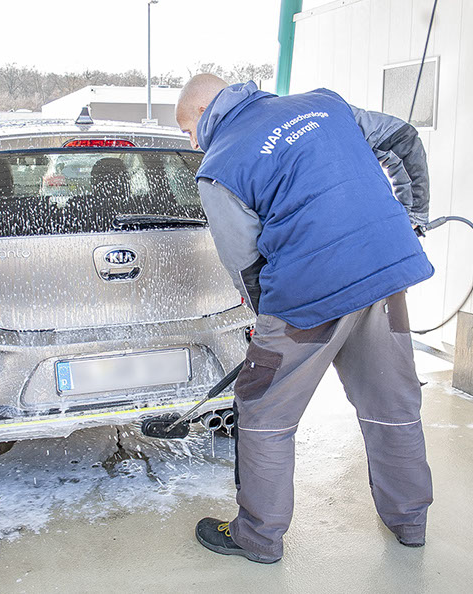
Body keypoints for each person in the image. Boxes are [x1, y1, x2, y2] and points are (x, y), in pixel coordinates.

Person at [175, 74, 435, 564]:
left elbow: (244, 263)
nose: (192, 143)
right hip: (385, 274)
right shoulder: (325, 105)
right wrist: (412, 216)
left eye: (188, 130)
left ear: (206, 112)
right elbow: (403, 138)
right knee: (392, 403)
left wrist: (269, 327)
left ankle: (257, 536)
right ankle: (410, 522)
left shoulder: (219, 166)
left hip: (306, 295)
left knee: (263, 413)